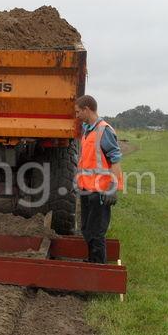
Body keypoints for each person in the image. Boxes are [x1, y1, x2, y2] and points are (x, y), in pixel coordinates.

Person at [74, 95, 124, 264]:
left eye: (78, 111)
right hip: (87, 189)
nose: (77, 115)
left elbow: (115, 160)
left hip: (100, 191)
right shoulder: (87, 130)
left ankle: (98, 269)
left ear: (87, 109)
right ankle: (92, 262)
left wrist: (112, 187)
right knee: (87, 230)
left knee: (96, 232)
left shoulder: (104, 130)